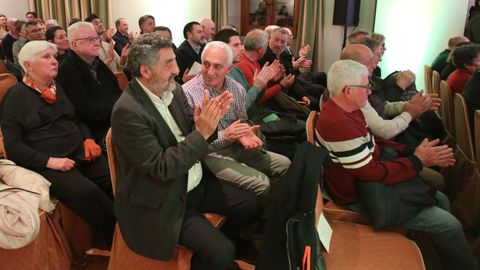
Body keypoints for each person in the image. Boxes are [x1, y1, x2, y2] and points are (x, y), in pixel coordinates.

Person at [111, 33, 262, 269]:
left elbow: (193, 131)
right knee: (223, 254)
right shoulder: (128, 111)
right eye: (169, 63)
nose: (177, 69)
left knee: (252, 204)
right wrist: (202, 132)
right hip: (166, 199)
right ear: (146, 71)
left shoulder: (174, 92)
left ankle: (220, 245)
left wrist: (212, 125)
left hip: (194, 182)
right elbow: (162, 168)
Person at [315, 59, 478, 270]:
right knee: (450, 224)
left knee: (442, 199)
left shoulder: (348, 109)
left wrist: (412, 152)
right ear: (348, 90)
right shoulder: (339, 123)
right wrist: (418, 160)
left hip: (368, 184)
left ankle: (442, 256)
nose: (370, 92)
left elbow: (375, 142)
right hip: (360, 195)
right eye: (366, 87)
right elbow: (370, 173)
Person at [1, 40, 115, 247]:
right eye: (46, 57)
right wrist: (50, 161)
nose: (54, 61)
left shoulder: (56, 88)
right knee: (86, 192)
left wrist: (88, 138)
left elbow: (76, 119)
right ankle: (117, 239)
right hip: (49, 164)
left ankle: (132, 226)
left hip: (80, 153)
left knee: (115, 176)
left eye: (54, 57)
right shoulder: (15, 97)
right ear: (27, 65)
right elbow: (13, 146)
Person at [183, 41, 291, 196]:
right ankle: (257, 213)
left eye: (217, 66)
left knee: (284, 164)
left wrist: (244, 132)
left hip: (235, 145)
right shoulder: (188, 93)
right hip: (206, 154)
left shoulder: (236, 88)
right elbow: (189, 143)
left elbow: (240, 120)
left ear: (228, 69)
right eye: (206, 65)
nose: (209, 71)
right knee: (262, 183)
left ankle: (271, 209)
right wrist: (225, 136)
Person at [57, 22, 122, 149]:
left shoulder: (97, 63)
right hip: (97, 131)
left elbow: (116, 92)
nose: (97, 43)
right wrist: (122, 109)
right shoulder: (67, 71)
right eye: (89, 39)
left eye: (97, 38)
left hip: (117, 119)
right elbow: (87, 112)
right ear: (75, 45)